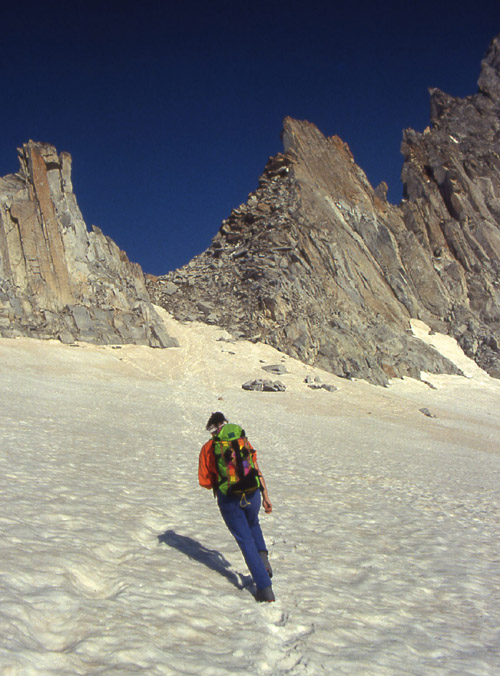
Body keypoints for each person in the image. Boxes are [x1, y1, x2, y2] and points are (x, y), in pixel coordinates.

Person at [198, 411, 275, 602]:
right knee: (253, 524)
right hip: (252, 492)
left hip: (229, 499)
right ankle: (264, 562)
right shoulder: (242, 440)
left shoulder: (210, 448)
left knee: (245, 541)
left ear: (212, 431)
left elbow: (205, 481)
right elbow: (255, 467)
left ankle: (265, 589)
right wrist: (265, 495)